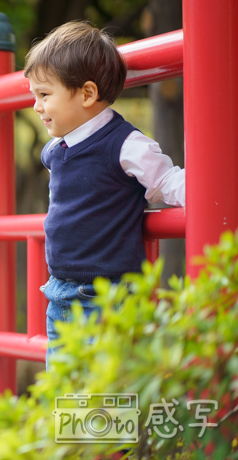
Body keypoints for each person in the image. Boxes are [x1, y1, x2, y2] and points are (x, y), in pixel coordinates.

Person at [25, 21, 185, 368]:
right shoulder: (56, 150)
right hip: (58, 291)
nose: (36, 106)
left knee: (106, 397)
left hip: (107, 295)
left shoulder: (125, 145)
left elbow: (167, 182)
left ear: (86, 94)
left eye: (44, 95)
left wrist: (211, 190)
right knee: (65, 393)